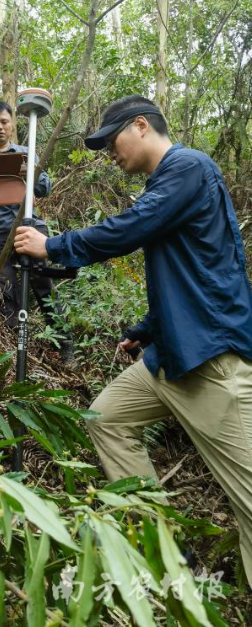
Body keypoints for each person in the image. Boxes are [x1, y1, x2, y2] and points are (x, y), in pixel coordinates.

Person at [14, 94, 252, 587]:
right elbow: (193, 271)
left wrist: (53, 245)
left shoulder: (187, 168)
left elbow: (132, 228)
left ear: (141, 126)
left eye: (111, 141)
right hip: (169, 355)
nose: (108, 153)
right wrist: (143, 329)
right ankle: (170, 555)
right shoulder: (168, 184)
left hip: (211, 360)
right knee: (107, 418)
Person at [0, 100, 75, 364]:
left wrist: (31, 172)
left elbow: (45, 189)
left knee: (42, 284)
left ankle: (64, 345)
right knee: (6, 289)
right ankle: (13, 353)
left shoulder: (28, 150)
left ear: (12, 124)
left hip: (27, 227)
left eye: (4, 122)